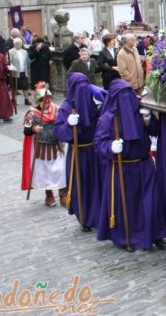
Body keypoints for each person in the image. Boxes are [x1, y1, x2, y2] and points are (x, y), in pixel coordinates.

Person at [94, 79, 166, 251]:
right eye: (124, 96)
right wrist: (111, 147)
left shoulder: (139, 112)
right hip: (122, 167)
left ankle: (156, 234)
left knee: (153, 201)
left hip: (144, 164)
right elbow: (99, 144)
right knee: (128, 205)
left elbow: (155, 131)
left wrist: (149, 119)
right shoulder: (107, 119)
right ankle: (128, 237)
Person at [53, 73, 103, 232]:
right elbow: (58, 133)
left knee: (97, 184)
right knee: (80, 185)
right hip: (78, 153)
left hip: (94, 151)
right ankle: (84, 216)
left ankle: (98, 215)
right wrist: (68, 125)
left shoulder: (93, 102)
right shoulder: (67, 107)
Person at [21, 82, 67, 207]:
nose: (47, 103)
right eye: (44, 100)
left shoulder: (56, 109)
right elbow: (26, 131)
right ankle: (49, 195)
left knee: (60, 170)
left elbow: (63, 123)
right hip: (42, 148)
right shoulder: (32, 114)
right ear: (38, 100)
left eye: (48, 100)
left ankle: (63, 194)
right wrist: (34, 129)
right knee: (46, 173)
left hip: (57, 146)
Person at [9, 37, 32, 106]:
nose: (19, 45)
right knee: (14, 87)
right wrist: (12, 69)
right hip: (15, 73)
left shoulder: (24, 52)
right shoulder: (10, 52)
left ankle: (26, 99)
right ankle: (14, 100)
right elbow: (8, 62)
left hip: (23, 72)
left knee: (25, 86)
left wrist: (27, 69)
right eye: (17, 44)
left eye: (20, 44)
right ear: (14, 44)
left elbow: (27, 61)